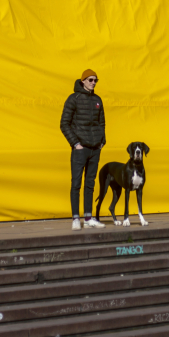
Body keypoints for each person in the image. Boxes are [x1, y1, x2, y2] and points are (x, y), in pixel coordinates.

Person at [61, 69, 106, 230]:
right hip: (80, 149)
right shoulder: (74, 99)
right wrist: (75, 144)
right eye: (90, 80)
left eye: (95, 80)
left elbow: (102, 123)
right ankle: (75, 218)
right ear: (83, 81)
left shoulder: (97, 99)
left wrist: (102, 142)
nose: (93, 83)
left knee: (90, 183)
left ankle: (88, 217)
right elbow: (64, 123)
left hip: (95, 148)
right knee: (76, 183)